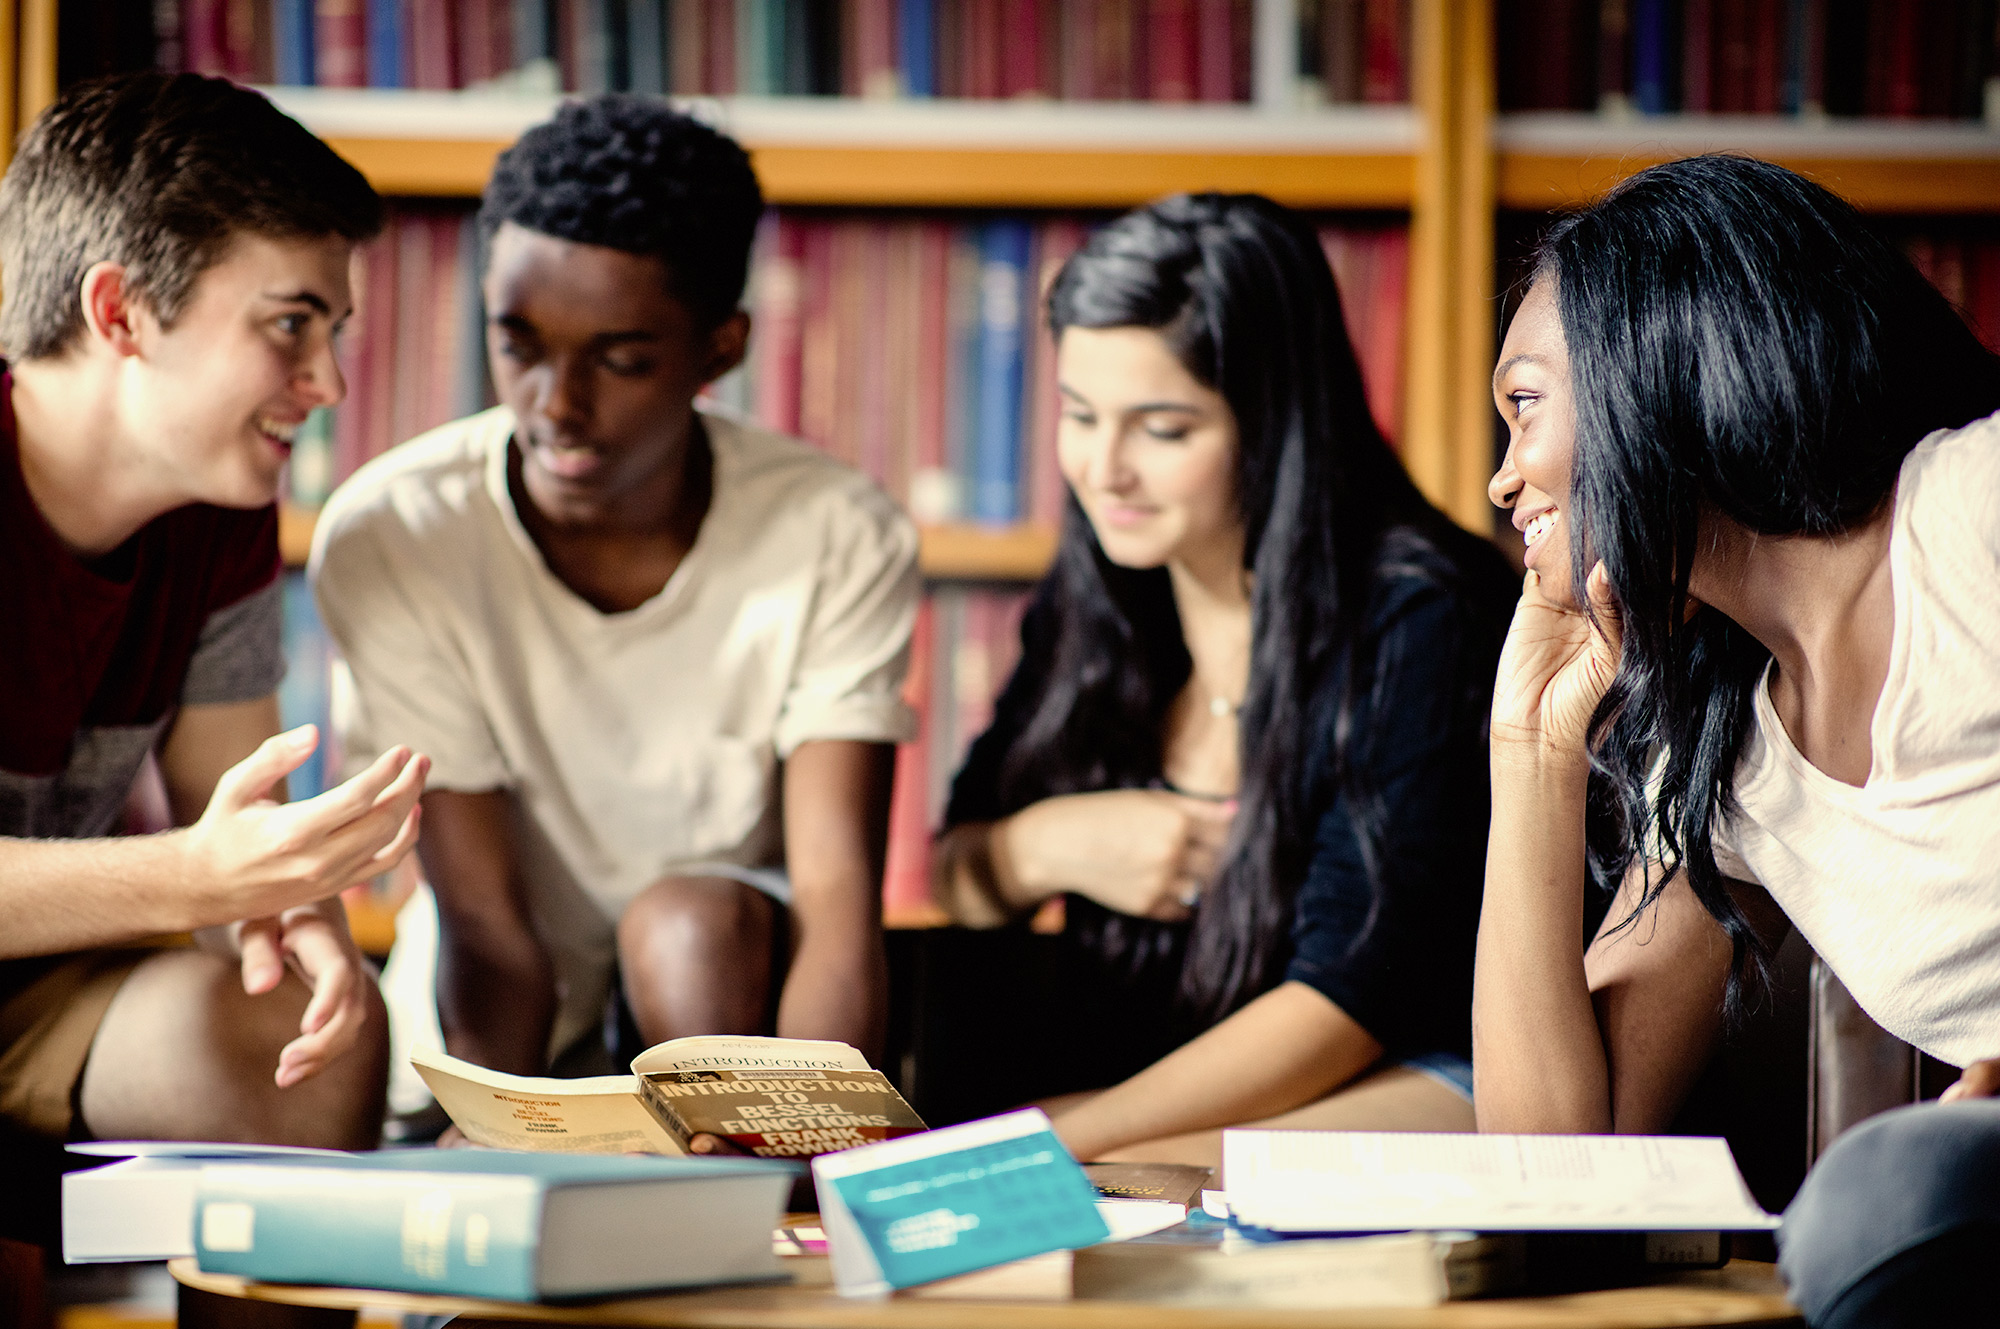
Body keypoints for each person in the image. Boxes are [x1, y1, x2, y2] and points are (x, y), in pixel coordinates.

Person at [1474, 154, 2000, 1328]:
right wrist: (1530, 751)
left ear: (1650, 360)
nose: (1501, 479)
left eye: (1522, 408)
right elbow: (1556, 1165)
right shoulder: (1725, 751)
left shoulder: (1968, 511)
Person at [311, 97, 918, 1108]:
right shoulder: (398, 531)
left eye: (621, 358)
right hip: (491, 1003)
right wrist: (506, 1128)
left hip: (726, 994)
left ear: (719, 348)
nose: (556, 402)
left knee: (686, 924)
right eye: (518, 343)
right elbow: (485, 926)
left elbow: (836, 904)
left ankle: (728, 1173)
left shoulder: (833, 530)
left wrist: (819, 1155)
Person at [930, 193, 1517, 1166]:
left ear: (1276, 420)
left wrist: (1036, 1144)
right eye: (1078, 416)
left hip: (1389, 1080)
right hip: (1147, 1095)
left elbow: (1353, 996)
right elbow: (959, 871)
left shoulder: (1423, 611)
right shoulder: (1102, 586)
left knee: (1047, 1186)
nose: (1102, 470)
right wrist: (1041, 847)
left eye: (1161, 430)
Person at [0, 73, 422, 1166]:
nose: (326, 381)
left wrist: (289, 919)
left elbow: (236, 829)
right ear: (120, 311)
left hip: (38, 986)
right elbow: (205, 863)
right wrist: (200, 875)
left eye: (333, 329)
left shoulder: (220, 510)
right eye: (290, 324)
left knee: (304, 1041)